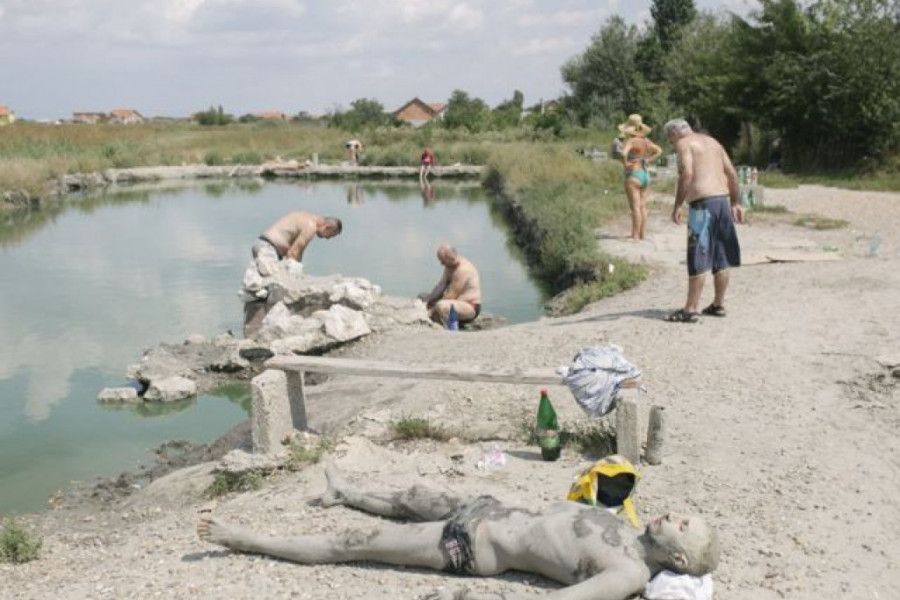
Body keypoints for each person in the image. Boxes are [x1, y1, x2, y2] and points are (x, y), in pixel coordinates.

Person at [198, 462, 720, 600]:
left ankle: (246, 540)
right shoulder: (628, 525)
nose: (674, 516)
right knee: (410, 496)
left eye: (683, 526)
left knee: (351, 547)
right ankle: (347, 493)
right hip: (488, 506)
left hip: (470, 545)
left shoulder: (627, 573)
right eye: (681, 513)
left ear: (677, 560)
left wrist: (465, 596)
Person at [664, 118, 742, 323]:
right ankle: (718, 304)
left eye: (669, 139)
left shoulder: (684, 144)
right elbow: (732, 174)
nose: (671, 144)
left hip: (701, 205)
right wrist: (735, 203)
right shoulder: (713, 142)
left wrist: (678, 205)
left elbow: (687, 173)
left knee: (697, 254)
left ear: (674, 133)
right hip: (722, 203)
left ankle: (690, 309)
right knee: (721, 256)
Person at [619, 114, 662, 241]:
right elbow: (659, 150)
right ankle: (642, 234)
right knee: (643, 206)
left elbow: (623, 153)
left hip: (634, 175)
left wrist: (626, 163)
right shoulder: (646, 141)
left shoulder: (631, 141)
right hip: (645, 174)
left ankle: (635, 235)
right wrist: (648, 159)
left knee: (635, 207)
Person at [418, 244, 481, 326]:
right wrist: (429, 299)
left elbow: (452, 295)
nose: (441, 264)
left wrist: (430, 311)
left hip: (469, 306)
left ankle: (443, 322)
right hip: (454, 302)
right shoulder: (449, 266)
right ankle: (436, 314)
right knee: (422, 296)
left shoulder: (463, 270)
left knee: (441, 306)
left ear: (449, 258)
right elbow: (441, 285)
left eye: (442, 261)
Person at [252, 211, 342, 264]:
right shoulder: (311, 226)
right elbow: (293, 253)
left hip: (263, 245)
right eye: (330, 235)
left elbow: (298, 253)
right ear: (327, 227)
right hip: (268, 248)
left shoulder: (307, 217)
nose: (327, 239)